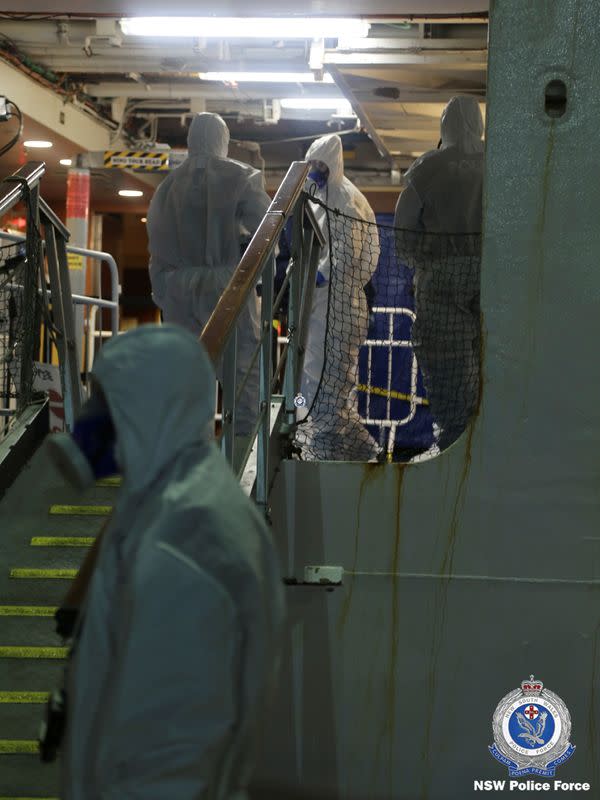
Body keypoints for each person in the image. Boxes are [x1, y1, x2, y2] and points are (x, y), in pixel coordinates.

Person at [51, 325, 285, 799]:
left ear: (149, 410)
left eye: (108, 400)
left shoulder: (187, 539)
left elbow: (168, 758)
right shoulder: (166, 504)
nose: (93, 416)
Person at [147, 112, 271, 437]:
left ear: (190, 142)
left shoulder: (166, 187)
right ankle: (243, 463)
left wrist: (164, 290)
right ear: (223, 141)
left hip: (179, 291)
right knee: (242, 377)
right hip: (229, 286)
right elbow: (268, 230)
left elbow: (157, 249)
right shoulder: (243, 177)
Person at [394, 94, 484, 449]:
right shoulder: (500, 161)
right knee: (492, 372)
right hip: (495, 280)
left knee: (448, 378)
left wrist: (420, 261)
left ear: (443, 125)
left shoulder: (427, 167)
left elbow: (403, 231)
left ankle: (453, 451)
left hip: (441, 280)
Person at [295, 133, 381, 461]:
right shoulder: (313, 192)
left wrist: (322, 273)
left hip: (339, 300)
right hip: (318, 300)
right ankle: (360, 450)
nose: (315, 169)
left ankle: (324, 446)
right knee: (320, 375)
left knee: (330, 376)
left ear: (332, 163)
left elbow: (348, 251)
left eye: (320, 163)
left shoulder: (345, 198)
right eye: (311, 163)